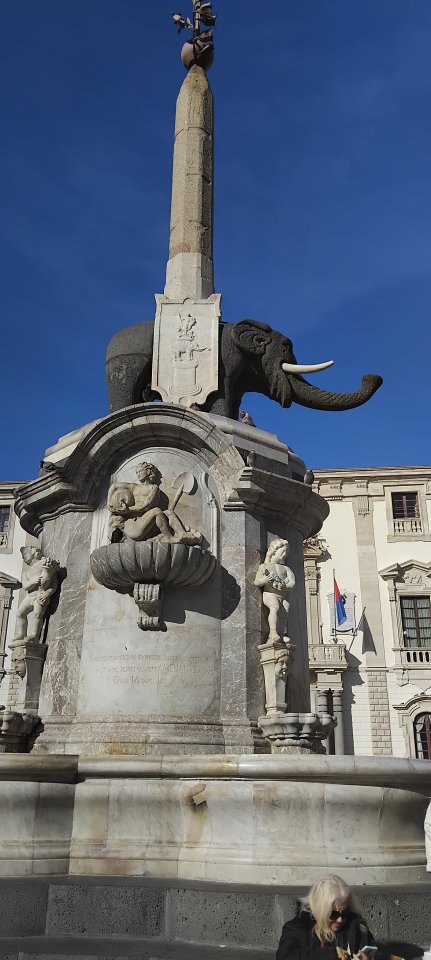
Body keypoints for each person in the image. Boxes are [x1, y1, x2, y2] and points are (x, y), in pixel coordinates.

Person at [276, 875, 377, 960]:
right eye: (333, 914)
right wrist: (330, 954)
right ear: (320, 909)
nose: (340, 919)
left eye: (345, 913)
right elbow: (284, 957)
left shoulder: (358, 927)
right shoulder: (297, 928)